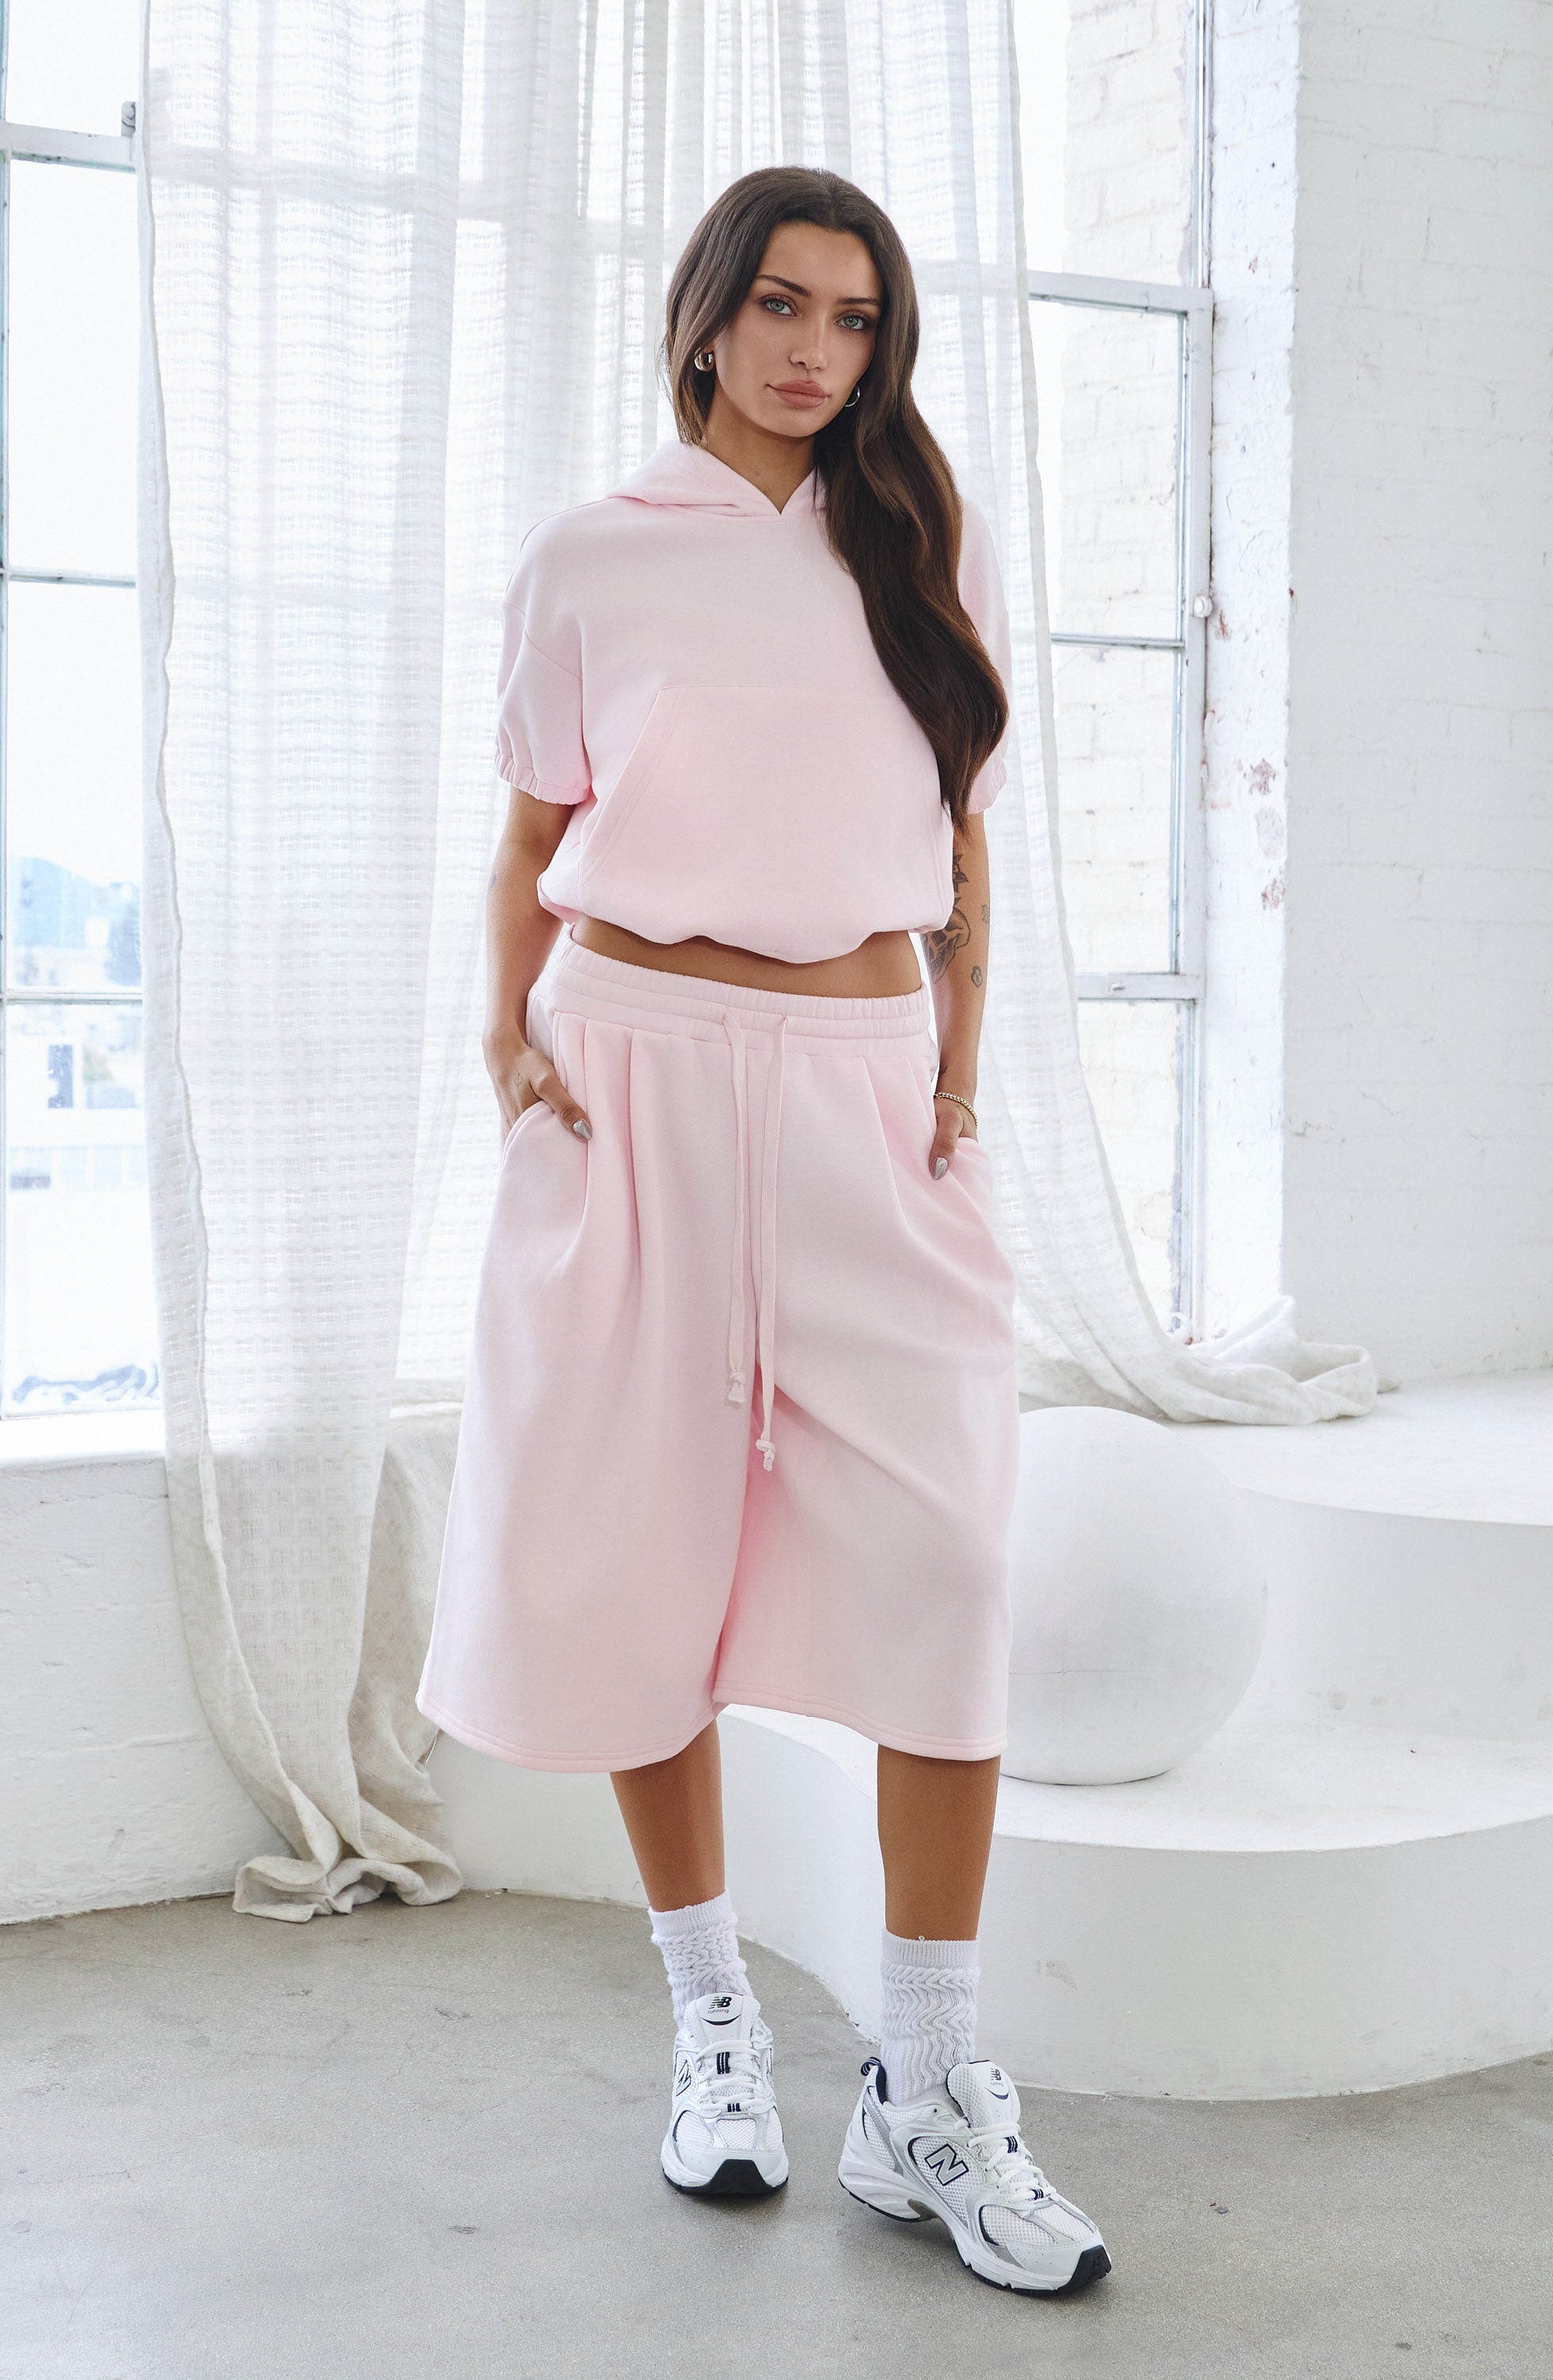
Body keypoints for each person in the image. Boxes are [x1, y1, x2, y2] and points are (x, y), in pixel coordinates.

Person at [416, 163, 1110, 2297]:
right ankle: (714, 2020)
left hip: (862, 1082)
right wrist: (506, 1051)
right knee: (640, 1554)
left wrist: (957, 1078)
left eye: (860, 318)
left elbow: (966, 849)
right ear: (710, 313)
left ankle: (929, 2086)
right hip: (630, 1069)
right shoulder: (592, 557)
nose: (820, 350)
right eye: (787, 305)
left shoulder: (924, 543)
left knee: (947, 1563)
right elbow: (530, 834)